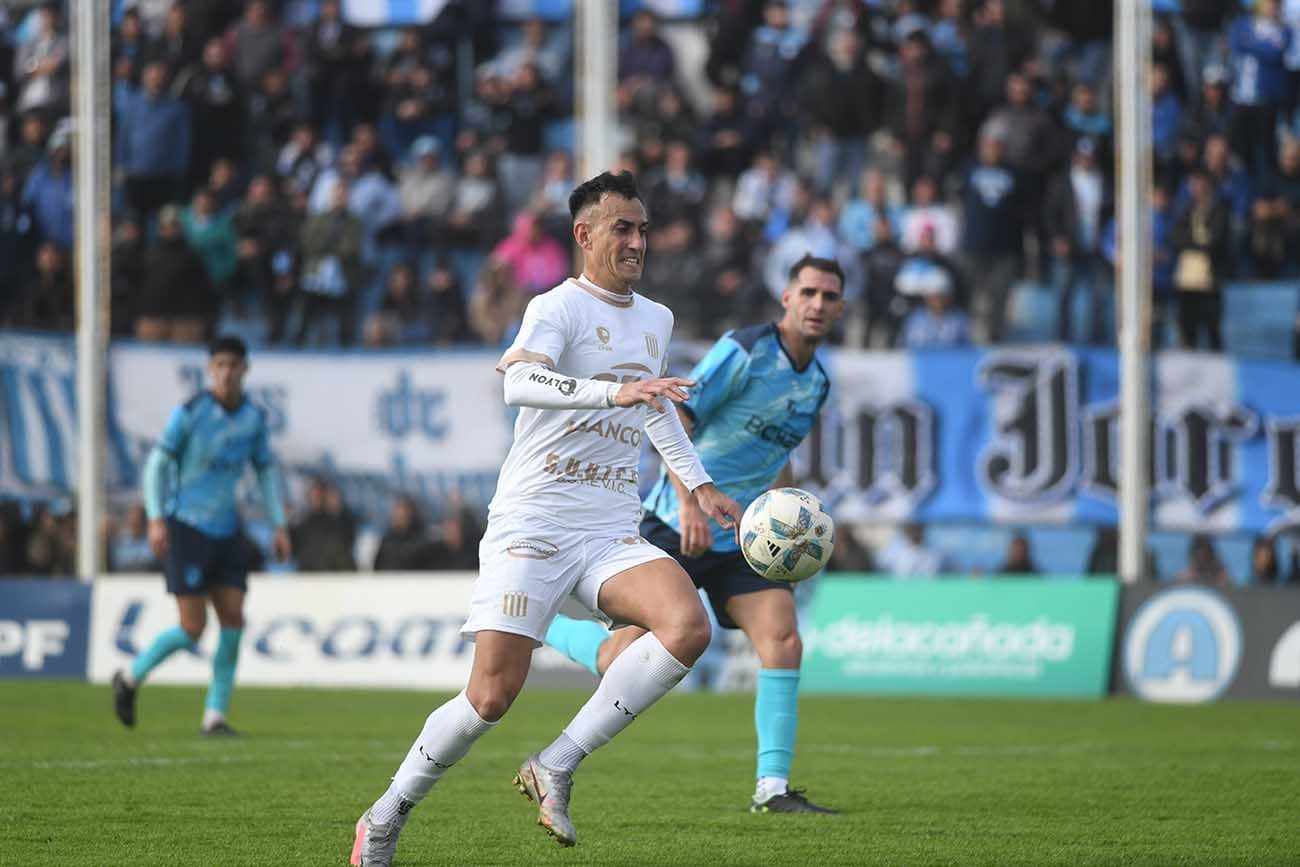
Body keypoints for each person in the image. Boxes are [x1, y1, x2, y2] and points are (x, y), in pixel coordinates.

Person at [349, 172, 742, 865]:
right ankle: (384, 816)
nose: (637, 241)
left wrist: (698, 482)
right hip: (535, 518)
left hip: (609, 524)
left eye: (643, 229)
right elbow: (520, 380)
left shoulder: (656, 319)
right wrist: (615, 390)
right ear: (584, 235)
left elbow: (656, 407)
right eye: (622, 227)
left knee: (687, 625)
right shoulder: (554, 308)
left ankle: (555, 764)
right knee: (491, 696)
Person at [543, 253, 845, 815]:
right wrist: (688, 506)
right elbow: (674, 416)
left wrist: (794, 533)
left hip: (746, 538)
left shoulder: (818, 383)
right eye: (809, 293)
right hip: (677, 519)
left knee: (782, 639)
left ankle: (773, 790)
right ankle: (548, 627)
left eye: (829, 297)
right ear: (787, 297)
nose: (817, 305)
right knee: (618, 661)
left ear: (840, 307)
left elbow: (778, 457)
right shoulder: (747, 350)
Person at [112, 336, 290, 735]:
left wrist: (278, 523)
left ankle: (215, 716)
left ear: (245, 369)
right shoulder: (191, 413)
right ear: (211, 370)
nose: (226, 372)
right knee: (193, 627)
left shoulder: (254, 418)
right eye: (219, 365)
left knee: (233, 619)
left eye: (233, 365)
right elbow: (157, 464)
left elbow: (264, 471)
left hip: (227, 531)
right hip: (187, 528)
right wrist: (157, 517)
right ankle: (128, 677)